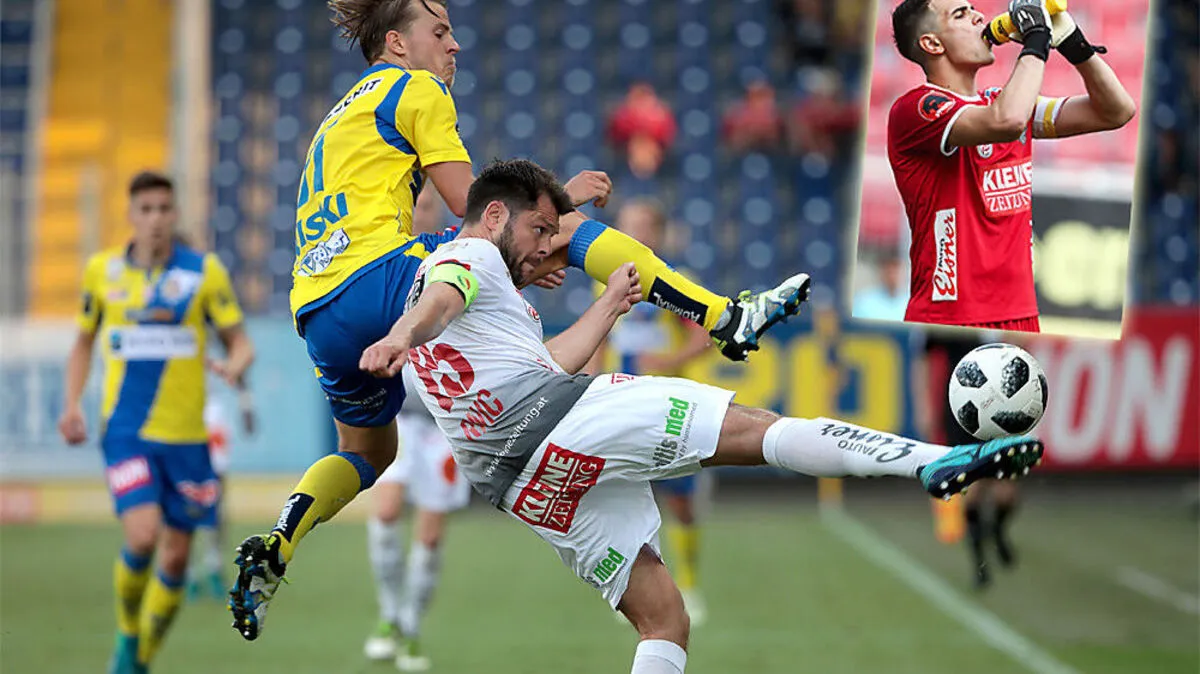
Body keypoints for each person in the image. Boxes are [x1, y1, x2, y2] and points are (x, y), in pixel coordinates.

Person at [229, 0, 811, 641]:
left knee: (367, 450)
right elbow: (477, 213)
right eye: (441, 31)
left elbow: (484, 239)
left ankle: (285, 535)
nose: (454, 46)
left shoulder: (341, 114)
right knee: (574, 232)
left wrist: (531, 246)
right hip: (378, 280)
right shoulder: (415, 87)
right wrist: (558, 205)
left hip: (316, 308)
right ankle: (726, 315)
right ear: (397, 43)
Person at [359, 158, 1045, 674]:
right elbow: (443, 299)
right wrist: (402, 335)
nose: (549, 249)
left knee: (664, 620)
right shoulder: (468, 255)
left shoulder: (479, 287)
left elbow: (544, 359)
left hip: (520, 482)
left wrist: (603, 304)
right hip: (552, 423)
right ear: (498, 220)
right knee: (753, 428)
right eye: (539, 231)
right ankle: (933, 461)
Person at [57, 171, 254, 674]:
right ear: (130, 215)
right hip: (125, 432)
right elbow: (82, 342)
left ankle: (141, 658)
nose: (156, 220)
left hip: (187, 438)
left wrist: (234, 366)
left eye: (164, 209)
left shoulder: (204, 272)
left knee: (173, 560)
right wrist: (72, 404)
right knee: (143, 537)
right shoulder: (102, 272)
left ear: (175, 215)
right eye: (145, 210)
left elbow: (240, 341)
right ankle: (127, 637)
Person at [889, 0, 1136, 330]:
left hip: (1021, 316)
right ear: (932, 43)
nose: (979, 16)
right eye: (961, 14)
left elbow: (1116, 111)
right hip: (952, 317)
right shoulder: (917, 108)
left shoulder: (999, 100)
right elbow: (1007, 120)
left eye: (974, 8)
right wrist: (1036, 40)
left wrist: (1074, 44)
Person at [585, 198, 713, 624]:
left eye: (642, 226)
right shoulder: (604, 280)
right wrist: (588, 386)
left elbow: (705, 337)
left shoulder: (677, 283)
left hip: (668, 407)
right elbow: (598, 340)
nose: (634, 234)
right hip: (619, 405)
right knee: (623, 502)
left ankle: (690, 587)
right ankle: (636, 594)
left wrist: (668, 364)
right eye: (627, 226)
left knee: (681, 504)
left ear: (656, 234)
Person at [361, 187, 470, 672]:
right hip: (400, 418)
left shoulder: (454, 266)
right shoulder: (389, 269)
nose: (418, 213)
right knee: (385, 511)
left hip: (445, 425)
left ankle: (409, 627)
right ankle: (387, 616)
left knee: (429, 535)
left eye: (427, 206)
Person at [187, 387, 256, 601]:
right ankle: (188, 574)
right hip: (184, 413)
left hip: (211, 412)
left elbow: (240, 369)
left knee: (216, 513)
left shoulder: (217, 402)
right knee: (185, 511)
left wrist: (246, 401)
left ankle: (213, 566)